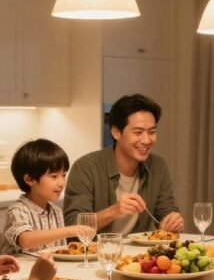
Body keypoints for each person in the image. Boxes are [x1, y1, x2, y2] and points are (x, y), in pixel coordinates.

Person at [64, 94, 184, 234]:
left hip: (140, 255)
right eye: (138, 132)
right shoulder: (86, 167)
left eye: (152, 132)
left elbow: (165, 210)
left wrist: (171, 220)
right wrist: (113, 211)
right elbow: (73, 224)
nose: (146, 140)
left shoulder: (158, 166)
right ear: (116, 133)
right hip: (97, 253)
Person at [2, 139, 92, 254]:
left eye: (63, 175)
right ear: (29, 179)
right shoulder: (17, 210)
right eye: (54, 176)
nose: (61, 183)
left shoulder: (56, 211)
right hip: (21, 271)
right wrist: (69, 230)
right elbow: (25, 240)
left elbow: (59, 252)